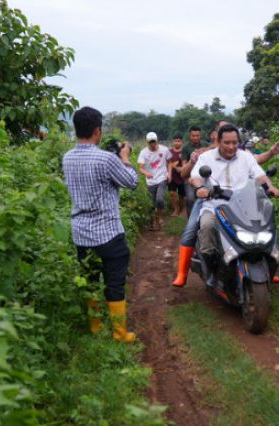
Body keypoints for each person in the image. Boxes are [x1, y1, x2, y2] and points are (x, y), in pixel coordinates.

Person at [62, 106, 138, 342]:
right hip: (108, 232)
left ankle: (95, 328)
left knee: (90, 280)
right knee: (115, 281)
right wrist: (124, 158)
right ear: (98, 130)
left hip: (81, 232)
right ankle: (119, 333)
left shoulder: (67, 157)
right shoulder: (106, 158)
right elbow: (132, 182)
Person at [172, 124, 279, 287]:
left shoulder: (246, 157)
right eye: (227, 143)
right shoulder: (206, 157)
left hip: (244, 205)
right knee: (207, 227)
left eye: (235, 143)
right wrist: (200, 187)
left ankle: (266, 266)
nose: (231, 147)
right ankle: (209, 269)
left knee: (266, 226)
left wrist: (270, 186)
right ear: (219, 141)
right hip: (214, 205)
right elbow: (195, 177)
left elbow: (259, 175)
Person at [138, 131, 172, 230]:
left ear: (157, 141)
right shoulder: (143, 152)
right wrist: (145, 172)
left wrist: (169, 173)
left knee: (159, 199)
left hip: (162, 178)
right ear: (147, 142)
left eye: (154, 142)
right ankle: (152, 222)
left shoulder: (164, 150)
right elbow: (140, 168)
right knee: (151, 204)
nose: (152, 144)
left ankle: (160, 217)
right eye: (150, 142)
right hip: (151, 181)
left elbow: (169, 162)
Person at [182, 126, 209, 216]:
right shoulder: (186, 148)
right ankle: (190, 220)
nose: (195, 138)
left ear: (200, 135)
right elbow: (184, 166)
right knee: (190, 199)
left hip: (204, 177)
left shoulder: (206, 145)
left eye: (197, 135)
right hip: (190, 178)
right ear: (190, 136)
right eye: (193, 136)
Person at [167, 133, 186, 216]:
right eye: (175, 141)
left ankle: (182, 208)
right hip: (172, 176)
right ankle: (175, 209)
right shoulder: (169, 152)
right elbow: (168, 164)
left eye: (179, 141)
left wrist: (181, 169)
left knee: (182, 195)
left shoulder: (185, 152)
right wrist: (169, 174)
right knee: (172, 193)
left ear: (182, 142)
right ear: (172, 142)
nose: (177, 143)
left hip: (182, 176)